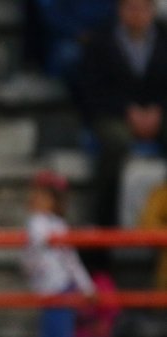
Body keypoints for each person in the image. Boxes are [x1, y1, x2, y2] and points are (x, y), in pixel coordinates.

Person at [78, 0, 167, 228]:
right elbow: (91, 89)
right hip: (114, 114)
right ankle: (103, 225)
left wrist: (159, 109)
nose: (137, 14)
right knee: (115, 144)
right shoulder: (99, 40)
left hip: (160, 113)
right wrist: (127, 111)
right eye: (131, 7)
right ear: (120, 10)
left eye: (142, 8)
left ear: (152, 10)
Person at [21, 170, 95, 337]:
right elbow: (29, 256)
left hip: (60, 287)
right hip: (45, 289)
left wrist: (87, 287)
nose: (37, 198)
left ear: (55, 201)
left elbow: (71, 259)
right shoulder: (34, 222)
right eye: (36, 194)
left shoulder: (57, 225)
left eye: (43, 195)